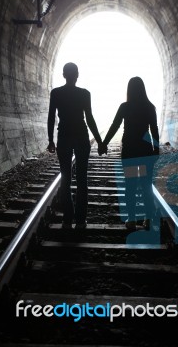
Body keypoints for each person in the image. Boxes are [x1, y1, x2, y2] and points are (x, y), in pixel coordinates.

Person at [47, 62, 103, 229]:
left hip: (64, 136)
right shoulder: (84, 94)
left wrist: (51, 140)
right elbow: (90, 119)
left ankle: (67, 218)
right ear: (77, 75)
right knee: (82, 179)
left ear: (64, 75)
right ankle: (80, 220)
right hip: (81, 136)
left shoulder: (56, 93)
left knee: (65, 178)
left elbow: (51, 117)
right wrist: (99, 141)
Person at [100, 77, 159, 230]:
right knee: (146, 185)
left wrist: (104, 143)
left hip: (130, 152)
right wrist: (156, 149)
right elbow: (154, 130)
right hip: (145, 151)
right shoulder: (149, 107)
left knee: (131, 185)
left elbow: (114, 126)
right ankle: (148, 219)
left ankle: (132, 220)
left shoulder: (125, 107)